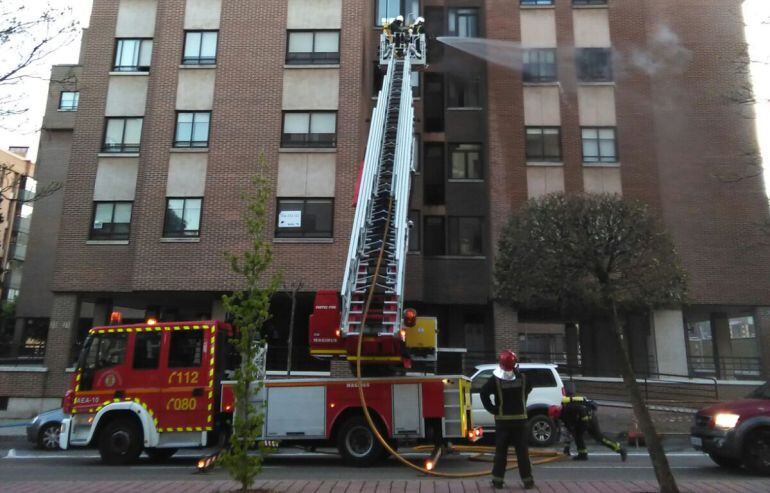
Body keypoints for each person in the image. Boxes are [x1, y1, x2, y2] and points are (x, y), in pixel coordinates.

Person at [480, 350, 535, 490]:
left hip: (503, 422)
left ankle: (498, 481)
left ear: (501, 364)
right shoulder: (524, 378)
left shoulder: (496, 379)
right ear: (514, 363)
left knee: (501, 453)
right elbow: (528, 389)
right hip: (520, 421)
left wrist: (493, 409)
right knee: (522, 453)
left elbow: (483, 393)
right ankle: (528, 481)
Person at [560, 386, 628, 461]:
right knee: (598, 437)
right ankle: (620, 449)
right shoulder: (577, 399)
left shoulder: (566, 409)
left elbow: (568, 430)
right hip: (591, 417)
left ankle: (583, 454)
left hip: (585, 420)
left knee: (578, 435)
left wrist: (567, 447)